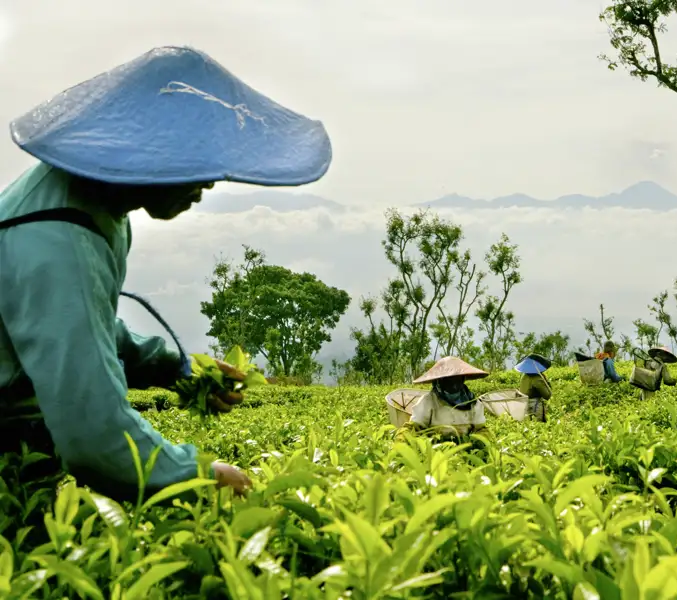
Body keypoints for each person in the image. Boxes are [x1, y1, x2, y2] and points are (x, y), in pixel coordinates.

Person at [0, 46, 332, 507]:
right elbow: (96, 439)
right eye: (192, 162)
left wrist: (176, 367)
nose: (208, 183)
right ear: (146, 154)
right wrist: (199, 474)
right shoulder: (58, 239)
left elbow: (76, 323)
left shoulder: (88, 208)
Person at [399, 356, 489, 440]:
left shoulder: (472, 402)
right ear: (439, 381)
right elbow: (413, 427)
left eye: (456, 379)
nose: (453, 384)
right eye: (448, 380)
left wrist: (479, 441)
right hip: (435, 446)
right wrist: (402, 440)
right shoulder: (428, 401)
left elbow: (480, 429)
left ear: (463, 379)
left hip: (465, 445)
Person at [515, 353, 552, 422]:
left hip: (524, 406)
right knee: (537, 425)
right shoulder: (537, 378)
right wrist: (546, 381)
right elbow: (547, 395)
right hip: (535, 406)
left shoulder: (524, 376)